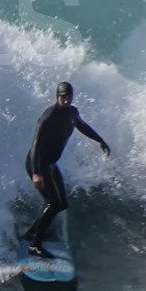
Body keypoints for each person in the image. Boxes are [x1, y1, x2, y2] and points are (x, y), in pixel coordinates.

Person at [25, 82, 110, 256]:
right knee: (53, 203)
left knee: (61, 204)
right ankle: (34, 245)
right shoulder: (48, 117)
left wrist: (100, 140)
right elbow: (35, 145)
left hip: (50, 165)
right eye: (63, 97)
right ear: (57, 96)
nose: (66, 100)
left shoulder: (72, 113)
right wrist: (35, 173)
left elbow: (82, 126)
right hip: (39, 165)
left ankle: (34, 232)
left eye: (69, 97)